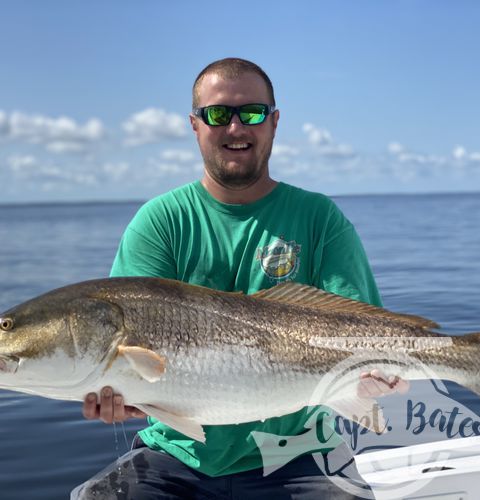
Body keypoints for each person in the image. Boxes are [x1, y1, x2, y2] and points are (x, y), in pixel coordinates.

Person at [75, 58, 407, 500]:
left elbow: (364, 333)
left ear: (273, 123)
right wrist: (119, 395)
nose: (235, 127)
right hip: (177, 455)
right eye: (217, 114)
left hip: (302, 454)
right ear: (195, 125)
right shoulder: (160, 222)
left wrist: (378, 376)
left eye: (251, 113)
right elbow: (131, 363)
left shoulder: (319, 218)